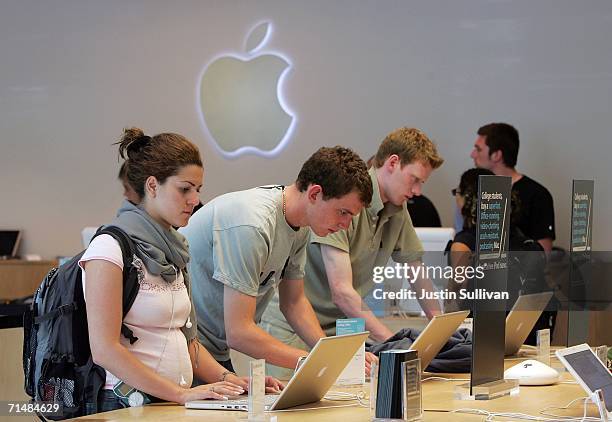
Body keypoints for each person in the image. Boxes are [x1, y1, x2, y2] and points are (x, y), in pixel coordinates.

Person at [80, 128, 282, 414]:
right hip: (125, 404)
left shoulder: (175, 250)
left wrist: (234, 382)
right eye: (185, 189)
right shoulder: (109, 248)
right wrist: (180, 394)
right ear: (152, 186)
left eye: (198, 190)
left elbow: (188, 343)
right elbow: (105, 350)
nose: (195, 199)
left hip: (170, 402)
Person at [261, 127, 445, 378]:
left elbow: (417, 272)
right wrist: (394, 343)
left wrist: (441, 331)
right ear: (393, 163)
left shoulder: (397, 209)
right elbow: (342, 292)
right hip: (297, 324)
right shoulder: (345, 197)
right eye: (415, 179)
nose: (417, 191)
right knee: (293, 408)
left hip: (341, 328)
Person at [180, 146, 373, 375]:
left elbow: (294, 303)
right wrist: (320, 361)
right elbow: (239, 332)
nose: (346, 225)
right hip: (182, 351)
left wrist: (330, 354)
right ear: (314, 194)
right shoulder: (252, 224)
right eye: (343, 212)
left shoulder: (299, 227)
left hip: (209, 352)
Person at [446, 168, 555, 343]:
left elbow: (459, 285)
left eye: (456, 193)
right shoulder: (523, 241)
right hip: (524, 333)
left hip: (480, 338)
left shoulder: (465, 242)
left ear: (468, 198)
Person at [470, 123, 555, 253]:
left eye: (479, 149)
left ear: (496, 155)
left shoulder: (537, 195)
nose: (472, 154)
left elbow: (543, 253)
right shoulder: (473, 191)